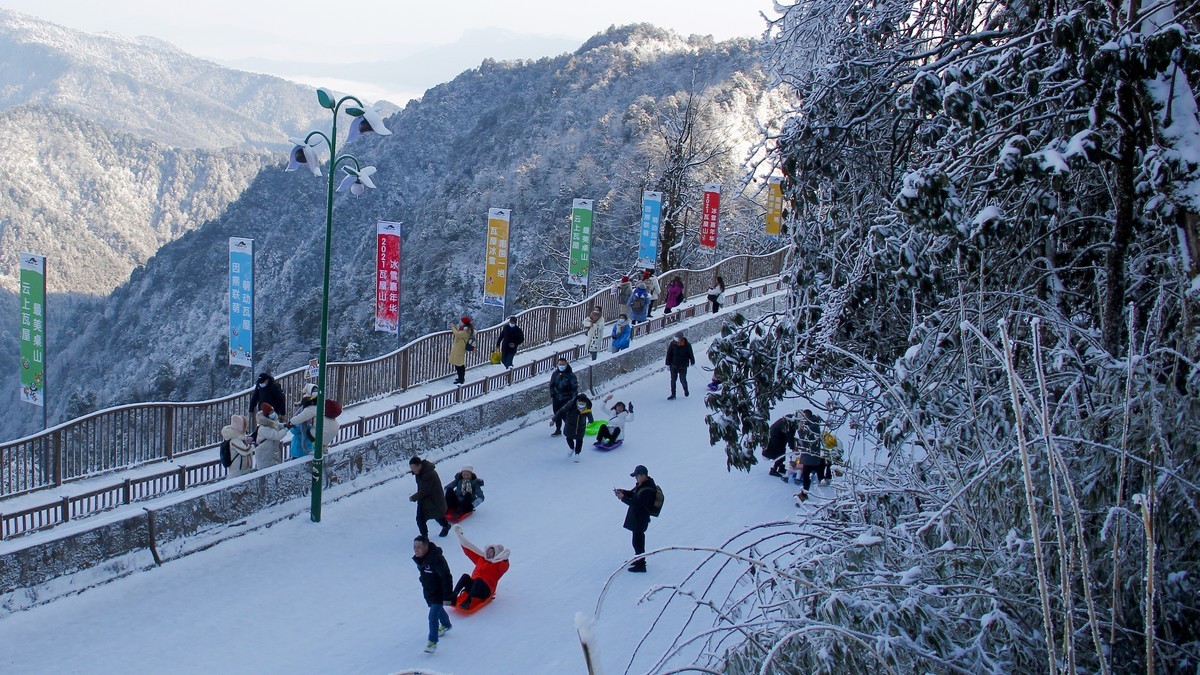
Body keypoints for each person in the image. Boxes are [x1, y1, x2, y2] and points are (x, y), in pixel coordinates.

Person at [451, 524, 510, 610]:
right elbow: (469, 550)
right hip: (474, 587)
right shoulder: (481, 558)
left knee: (479, 580)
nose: (489, 554)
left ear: (496, 554)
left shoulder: (498, 564)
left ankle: (468, 602)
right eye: (488, 551)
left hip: (485, 590)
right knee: (465, 576)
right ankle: (453, 596)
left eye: (492, 553)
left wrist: (504, 558)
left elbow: (505, 566)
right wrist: (460, 536)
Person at [412, 534, 454, 653]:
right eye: (414, 547)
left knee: (433, 616)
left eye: (418, 547)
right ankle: (446, 624)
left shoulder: (436, 559)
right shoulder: (420, 558)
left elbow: (446, 577)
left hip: (439, 592)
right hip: (429, 591)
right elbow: (424, 572)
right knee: (436, 609)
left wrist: (447, 596)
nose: (416, 550)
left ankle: (432, 642)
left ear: (426, 547)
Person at [614, 464, 657, 573]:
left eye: (636, 476)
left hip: (640, 519)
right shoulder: (642, 484)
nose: (635, 478)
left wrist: (622, 498)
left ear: (643, 476)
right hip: (637, 518)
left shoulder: (648, 489)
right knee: (636, 541)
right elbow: (633, 494)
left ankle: (641, 564)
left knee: (638, 542)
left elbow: (636, 503)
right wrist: (623, 491)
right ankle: (638, 560)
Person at [409, 456, 450, 538]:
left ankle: (445, 526)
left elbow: (425, 490)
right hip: (425, 499)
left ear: (419, 465)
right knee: (421, 518)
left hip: (433, 500)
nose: (412, 470)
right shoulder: (420, 472)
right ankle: (424, 536)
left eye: (413, 467)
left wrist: (413, 497)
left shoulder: (429, 474)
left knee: (435, 515)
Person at [552, 393, 593, 462]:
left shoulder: (587, 408)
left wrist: (591, 420)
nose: (581, 406)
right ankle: (572, 448)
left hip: (581, 427)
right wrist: (554, 419)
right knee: (568, 438)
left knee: (579, 440)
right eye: (580, 404)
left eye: (583, 405)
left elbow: (589, 414)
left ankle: (577, 454)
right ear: (577, 402)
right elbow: (561, 411)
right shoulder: (571, 404)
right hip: (570, 425)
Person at [795, 410, 825, 500]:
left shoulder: (811, 427)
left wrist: (800, 430)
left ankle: (804, 495)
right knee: (817, 467)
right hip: (813, 455)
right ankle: (822, 479)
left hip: (810, 456)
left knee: (806, 475)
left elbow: (805, 439)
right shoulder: (814, 425)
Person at [253, 402, 290, 470]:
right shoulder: (264, 428)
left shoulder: (270, 422)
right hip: (265, 455)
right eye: (271, 413)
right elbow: (277, 435)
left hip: (271, 452)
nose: (273, 413)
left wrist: (284, 425)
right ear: (267, 415)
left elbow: (277, 425)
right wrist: (287, 429)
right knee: (267, 472)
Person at [548, 357, 578, 436]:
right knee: (557, 413)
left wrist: (574, 399)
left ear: (566, 364)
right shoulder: (555, 374)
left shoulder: (570, 375)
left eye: (563, 364)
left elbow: (574, 388)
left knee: (566, 415)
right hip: (557, 398)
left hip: (567, 398)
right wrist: (553, 394)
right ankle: (558, 429)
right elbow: (551, 385)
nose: (561, 366)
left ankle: (571, 429)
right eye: (560, 364)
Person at [764, 413, 799, 477]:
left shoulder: (790, 419)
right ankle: (773, 469)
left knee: (782, 450)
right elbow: (790, 436)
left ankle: (781, 467)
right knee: (780, 452)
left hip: (778, 433)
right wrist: (793, 448)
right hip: (776, 435)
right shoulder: (790, 424)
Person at [288, 383, 318, 459]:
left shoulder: (299, 418)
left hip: (299, 451)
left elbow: (292, 429)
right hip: (304, 450)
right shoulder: (309, 417)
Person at [222, 414, 254, 479]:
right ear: (240, 427)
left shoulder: (239, 436)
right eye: (244, 425)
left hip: (242, 469)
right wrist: (252, 445)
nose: (246, 427)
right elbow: (245, 451)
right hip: (238, 471)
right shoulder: (235, 440)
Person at [665, 332, 695, 400]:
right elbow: (669, 354)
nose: (675, 340)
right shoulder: (672, 344)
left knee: (683, 379)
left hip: (683, 366)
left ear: (681, 339)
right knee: (673, 380)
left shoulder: (687, 345)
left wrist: (692, 361)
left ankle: (686, 390)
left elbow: (690, 354)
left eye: (677, 338)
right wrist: (667, 364)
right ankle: (673, 394)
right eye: (675, 338)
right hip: (674, 365)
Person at [448, 316, 475, 384]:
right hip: (459, 347)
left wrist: (453, 327)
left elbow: (457, 334)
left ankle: (461, 379)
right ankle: (460, 378)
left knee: (459, 364)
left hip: (460, 348)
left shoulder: (466, 330)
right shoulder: (467, 329)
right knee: (459, 363)